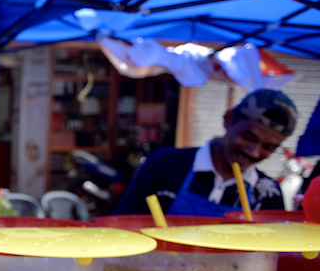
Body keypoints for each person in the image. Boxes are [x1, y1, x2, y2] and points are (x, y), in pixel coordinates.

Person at [113, 88, 297, 216]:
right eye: (248, 137)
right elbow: (122, 227)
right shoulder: (165, 165)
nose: (254, 152)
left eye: (268, 147)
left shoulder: (267, 193)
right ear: (228, 119)